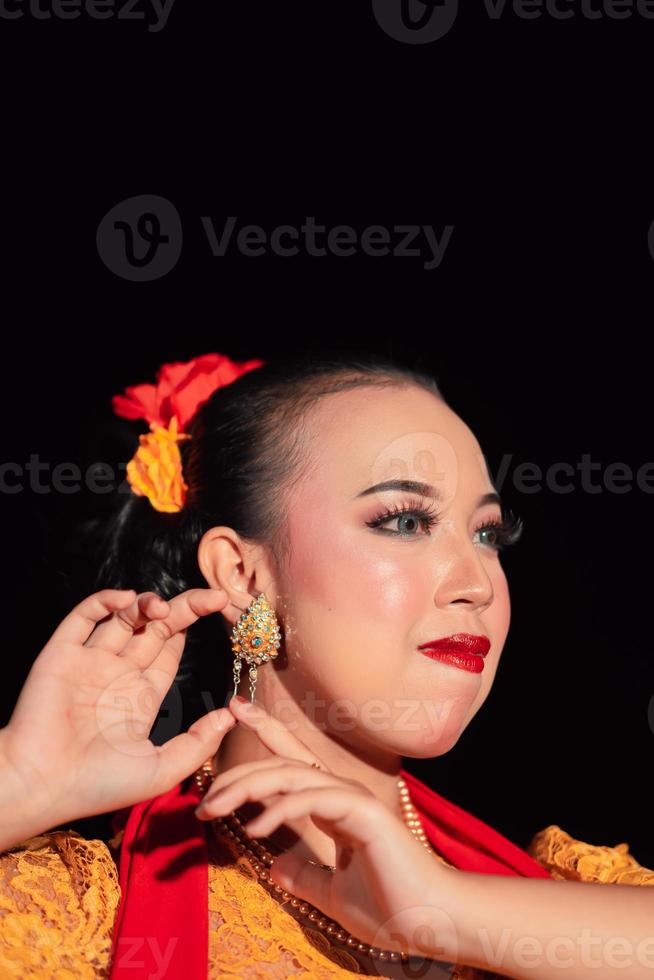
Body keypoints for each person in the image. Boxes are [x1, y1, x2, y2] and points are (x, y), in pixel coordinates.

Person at [0, 351, 652, 980]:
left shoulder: (571, 898)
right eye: (403, 521)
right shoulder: (85, 916)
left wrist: (442, 911)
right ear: (242, 574)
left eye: (487, 534)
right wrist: (20, 781)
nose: (478, 582)